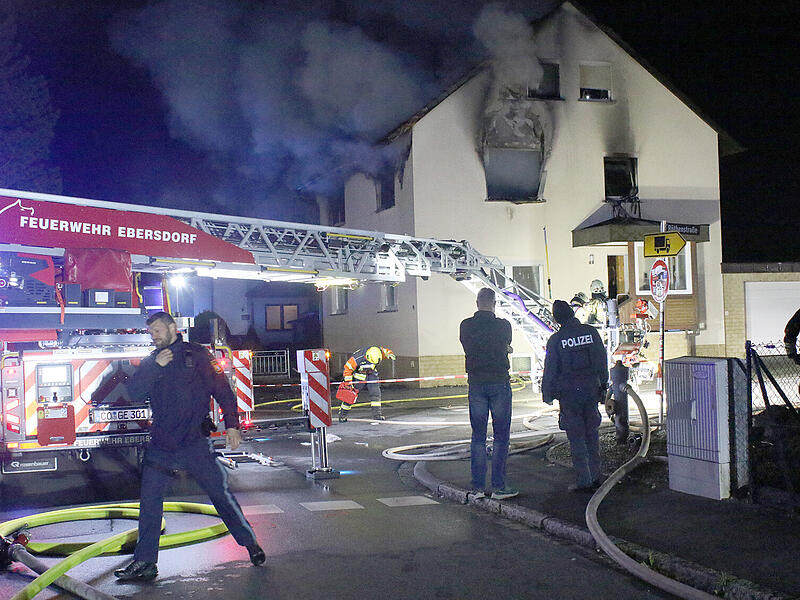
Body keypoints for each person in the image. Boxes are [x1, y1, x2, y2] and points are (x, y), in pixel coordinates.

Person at [115, 311, 264, 582]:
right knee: (150, 503)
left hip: (194, 443)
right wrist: (154, 367)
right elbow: (134, 392)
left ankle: (250, 544)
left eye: (158, 330)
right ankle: (145, 563)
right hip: (161, 445)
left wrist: (232, 424)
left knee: (221, 496)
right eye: (152, 332)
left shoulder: (196, 356)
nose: (154, 335)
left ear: (173, 328)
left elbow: (222, 389)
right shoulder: (153, 361)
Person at [541, 300, 609, 492]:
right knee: (592, 434)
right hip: (590, 390)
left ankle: (584, 481)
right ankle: (597, 477)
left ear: (556, 319)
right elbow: (601, 360)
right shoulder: (591, 333)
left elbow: (551, 369)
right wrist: (603, 385)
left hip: (570, 394)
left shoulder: (556, 340)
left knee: (577, 437)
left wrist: (548, 394)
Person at [459, 287, 518, 500]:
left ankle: (477, 487)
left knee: (478, 437)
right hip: (499, 382)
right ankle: (499, 486)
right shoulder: (503, 326)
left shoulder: (466, 326)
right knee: (501, 436)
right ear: (494, 304)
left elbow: (471, 346)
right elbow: (505, 344)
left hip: (476, 384)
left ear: (477, 303)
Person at [337, 345, 396, 421]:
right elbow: (347, 369)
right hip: (359, 376)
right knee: (350, 396)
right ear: (367, 357)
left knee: (375, 394)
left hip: (372, 374)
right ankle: (342, 415)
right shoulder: (357, 358)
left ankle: (377, 416)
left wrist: (390, 354)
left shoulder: (377, 352)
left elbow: (385, 352)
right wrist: (348, 383)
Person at [607, 360, 630, 444]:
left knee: (621, 420)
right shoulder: (618, 386)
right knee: (621, 420)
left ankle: (622, 437)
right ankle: (622, 437)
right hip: (620, 386)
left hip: (619, 386)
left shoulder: (615, 386)